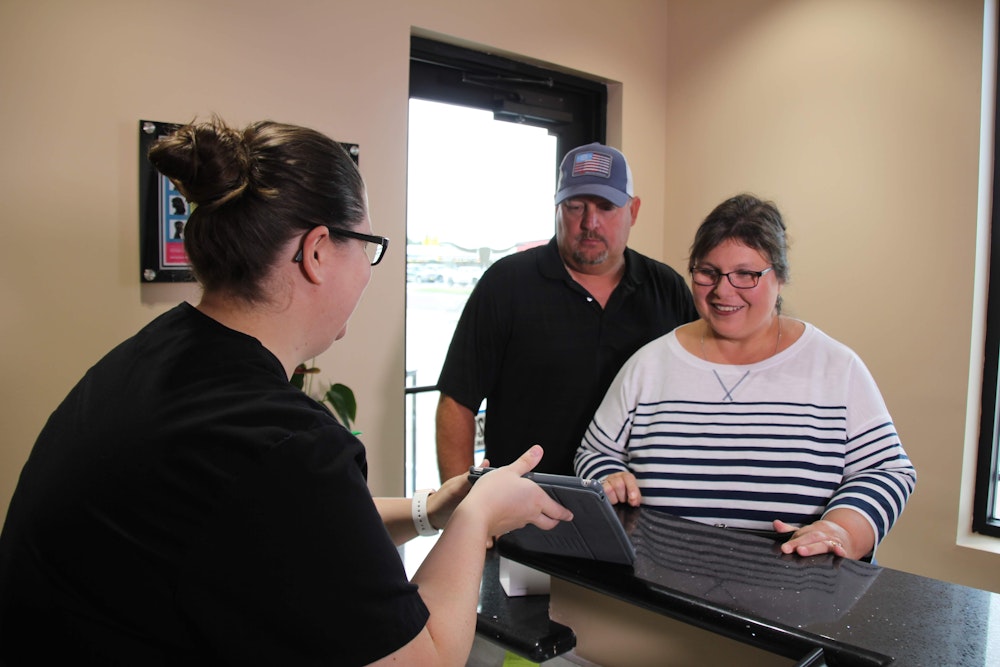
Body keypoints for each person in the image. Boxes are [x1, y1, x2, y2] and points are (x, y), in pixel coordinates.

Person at [0, 117, 572, 666]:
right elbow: (419, 658)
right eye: (368, 244)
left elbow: (298, 525)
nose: (370, 270)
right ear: (318, 251)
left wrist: (432, 510)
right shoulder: (280, 438)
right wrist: (478, 518)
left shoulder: (156, 356)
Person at [575, 193, 916, 561]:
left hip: (795, 598)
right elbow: (594, 452)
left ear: (780, 277)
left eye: (746, 274)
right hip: (660, 590)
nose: (723, 290)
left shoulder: (835, 367)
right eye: (708, 272)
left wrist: (843, 530)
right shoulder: (649, 364)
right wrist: (608, 476)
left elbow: (888, 470)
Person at [436, 142, 698, 480]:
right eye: (576, 206)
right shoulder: (505, 284)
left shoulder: (667, 288)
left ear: (633, 211)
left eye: (606, 207)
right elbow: (457, 401)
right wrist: (461, 509)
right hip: (522, 509)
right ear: (557, 207)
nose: (590, 222)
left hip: (639, 507)